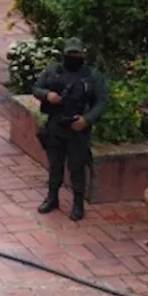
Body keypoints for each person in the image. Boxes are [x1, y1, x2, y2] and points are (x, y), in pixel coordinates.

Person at [30, 37, 110, 222]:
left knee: (77, 167)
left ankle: (78, 203)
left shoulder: (92, 76)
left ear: (83, 54)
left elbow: (102, 101)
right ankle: (52, 197)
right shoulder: (53, 71)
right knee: (54, 165)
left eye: (77, 53)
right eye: (70, 53)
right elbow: (36, 88)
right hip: (55, 126)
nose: (73, 57)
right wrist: (47, 95)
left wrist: (86, 119)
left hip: (77, 129)